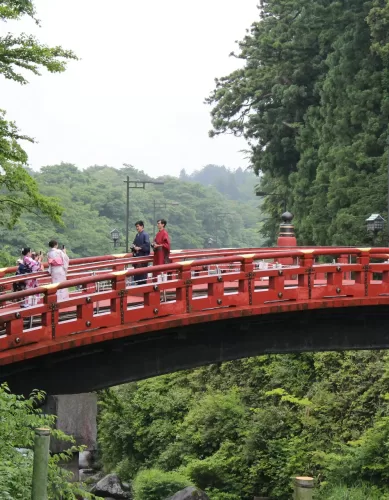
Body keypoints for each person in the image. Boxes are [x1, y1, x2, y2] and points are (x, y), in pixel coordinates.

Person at [131, 220, 150, 285]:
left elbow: (147, 245)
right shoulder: (137, 235)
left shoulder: (145, 234)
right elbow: (134, 243)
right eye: (136, 227)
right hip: (137, 257)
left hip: (143, 258)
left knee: (142, 275)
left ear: (142, 226)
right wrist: (133, 247)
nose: (137, 228)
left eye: (138, 226)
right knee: (137, 276)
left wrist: (139, 248)